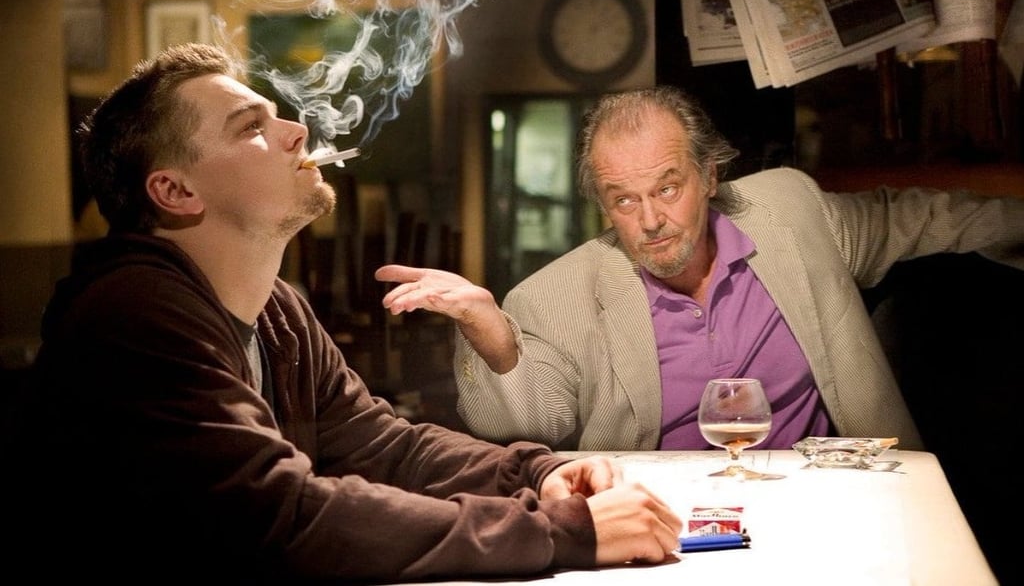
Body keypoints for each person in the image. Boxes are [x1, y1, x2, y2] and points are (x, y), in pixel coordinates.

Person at [0, 44, 682, 582]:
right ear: (175, 189)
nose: (297, 130)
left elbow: (386, 446)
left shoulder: (279, 310)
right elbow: (286, 515)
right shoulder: (130, 315)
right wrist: (562, 530)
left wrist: (533, 472)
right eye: (252, 128)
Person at [375, 85, 1024, 452]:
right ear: (603, 204)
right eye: (624, 199)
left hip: (838, 499)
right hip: (666, 528)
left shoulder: (790, 211)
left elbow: (917, 218)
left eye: (667, 187)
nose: (650, 218)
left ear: (710, 175)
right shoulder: (555, 294)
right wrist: (490, 328)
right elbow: (518, 427)